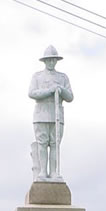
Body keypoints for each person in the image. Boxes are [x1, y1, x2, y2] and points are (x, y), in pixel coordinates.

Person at [29, 45, 73, 181]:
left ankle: (53, 172)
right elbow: (32, 93)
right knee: (42, 143)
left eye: (53, 60)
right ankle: (42, 171)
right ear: (44, 61)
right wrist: (49, 91)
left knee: (55, 144)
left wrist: (60, 89)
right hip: (41, 114)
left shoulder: (62, 77)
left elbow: (70, 96)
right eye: (49, 60)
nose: (51, 62)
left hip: (56, 115)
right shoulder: (37, 76)